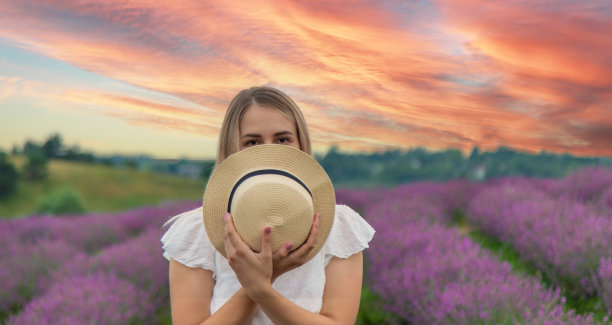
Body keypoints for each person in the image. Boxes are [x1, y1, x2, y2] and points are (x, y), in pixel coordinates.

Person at [161, 86, 375, 325]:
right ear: (233, 148)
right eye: (252, 142)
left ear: (301, 144)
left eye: (283, 139)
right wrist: (263, 279)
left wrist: (261, 288)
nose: (269, 150)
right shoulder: (196, 232)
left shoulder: (338, 227)